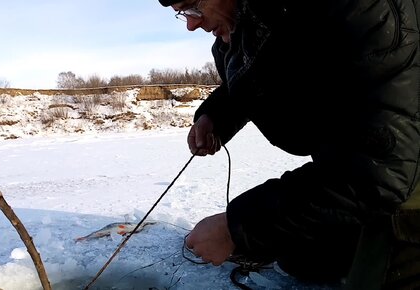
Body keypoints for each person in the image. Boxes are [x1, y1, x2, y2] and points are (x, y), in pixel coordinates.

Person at [158, 0, 420, 288]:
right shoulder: (261, 19)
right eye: (182, 13)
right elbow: (268, 66)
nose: (191, 23)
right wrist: (216, 116)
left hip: (398, 175)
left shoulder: (366, 8)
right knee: (299, 256)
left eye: (193, 5)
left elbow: (380, 173)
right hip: (367, 170)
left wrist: (236, 228)